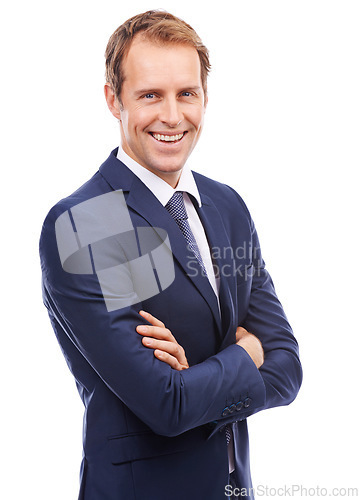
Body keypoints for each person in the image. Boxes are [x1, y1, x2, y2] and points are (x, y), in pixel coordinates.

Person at [39, 10, 302, 500]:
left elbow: (287, 366)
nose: (173, 116)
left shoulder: (226, 206)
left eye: (187, 93)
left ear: (205, 97)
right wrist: (246, 352)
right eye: (150, 95)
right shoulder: (90, 223)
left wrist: (199, 375)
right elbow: (166, 404)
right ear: (113, 100)